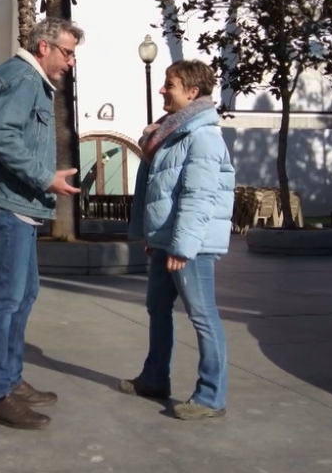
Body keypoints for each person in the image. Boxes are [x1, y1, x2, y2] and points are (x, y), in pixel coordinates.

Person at [0, 17, 84, 430]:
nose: (70, 62)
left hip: (19, 202)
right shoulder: (22, 76)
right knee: (7, 297)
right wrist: (44, 175)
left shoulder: (16, 76)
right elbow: (2, 134)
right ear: (44, 47)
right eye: (67, 52)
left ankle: (10, 381)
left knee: (24, 292)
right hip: (11, 201)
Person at [121, 59, 236, 420]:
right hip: (166, 242)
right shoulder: (172, 134)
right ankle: (155, 378)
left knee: (202, 316)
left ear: (192, 92)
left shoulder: (202, 136)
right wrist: (156, 236)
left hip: (191, 247)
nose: (162, 90)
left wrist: (183, 247)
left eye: (169, 84)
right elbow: (162, 192)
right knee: (157, 309)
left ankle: (210, 396)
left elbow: (198, 195)